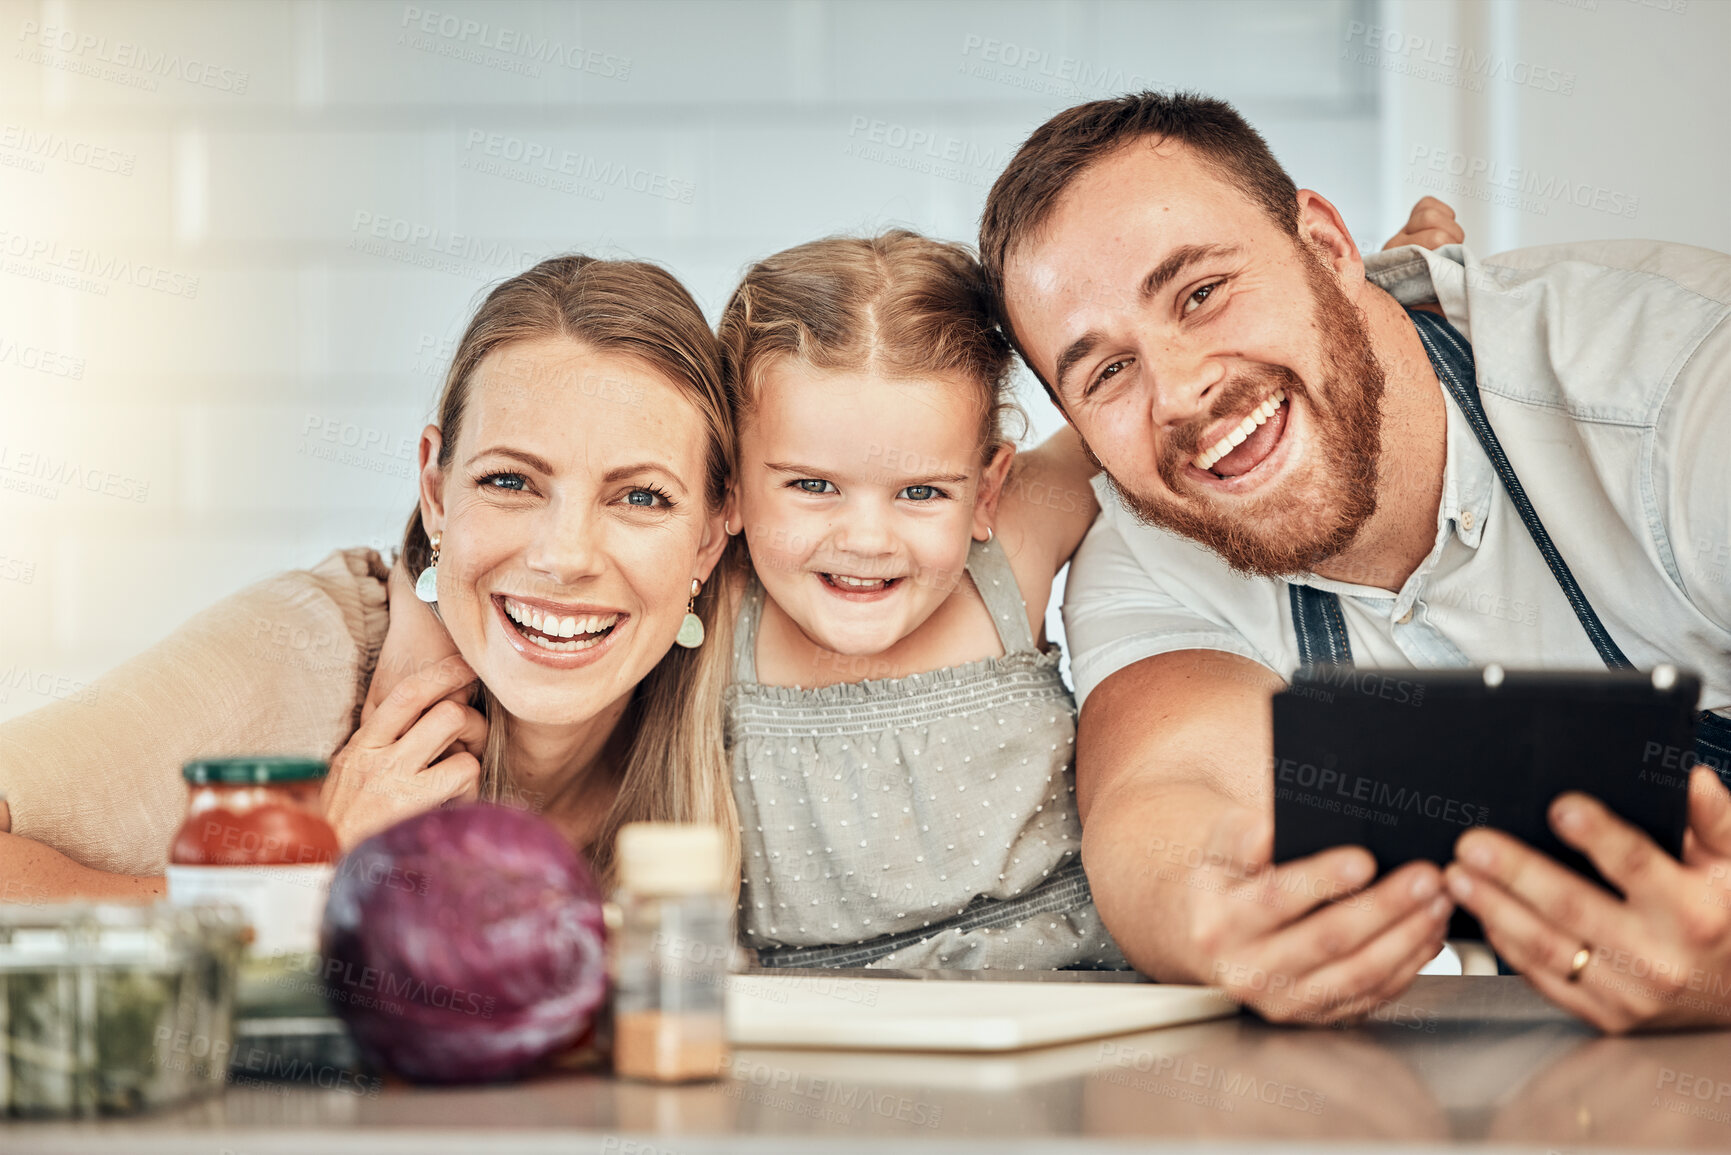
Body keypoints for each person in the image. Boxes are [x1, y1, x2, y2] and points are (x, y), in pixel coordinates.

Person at [977, 91, 1731, 1029]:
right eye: (1106, 372)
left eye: (1202, 293)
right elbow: (1161, 801)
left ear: (1328, 248)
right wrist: (1215, 924)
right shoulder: (1146, 545)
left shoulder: (1680, 391)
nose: (1180, 393)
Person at [0, 255, 739, 897]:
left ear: (708, 538)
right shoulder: (305, 654)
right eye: (511, 481)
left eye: (640, 496)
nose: (564, 555)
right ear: (435, 490)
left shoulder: (740, 732)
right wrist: (302, 875)